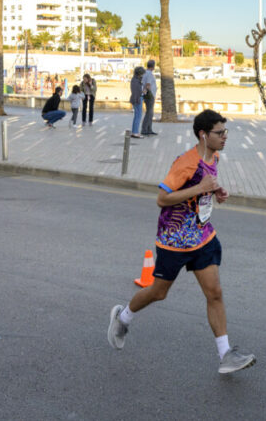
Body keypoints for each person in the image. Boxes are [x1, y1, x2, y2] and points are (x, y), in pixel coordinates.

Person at [106, 110, 256, 375]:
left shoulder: (214, 156)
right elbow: (162, 199)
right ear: (203, 134)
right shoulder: (185, 163)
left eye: (225, 132)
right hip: (173, 240)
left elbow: (203, 185)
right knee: (158, 292)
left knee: (215, 293)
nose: (224, 137)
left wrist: (215, 191)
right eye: (219, 133)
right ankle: (123, 317)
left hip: (201, 236)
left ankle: (225, 354)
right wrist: (200, 189)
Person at [142, 60, 158, 135]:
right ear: (153, 66)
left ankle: (149, 129)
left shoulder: (146, 73)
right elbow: (148, 84)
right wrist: (149, 94)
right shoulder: (149, 74)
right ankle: (145, 129)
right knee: (149, 113)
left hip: (149, 94)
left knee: (150, 113)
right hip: (150, 95)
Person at [129, 66, 145, 138]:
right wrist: (143, 92)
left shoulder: (136, 80)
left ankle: (134, 131)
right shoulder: (135, 81)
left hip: (137, 99)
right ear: (139, 73)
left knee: (137, 116)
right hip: (137, 99)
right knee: (138, 116)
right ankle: (135, 132)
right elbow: (136, 92)